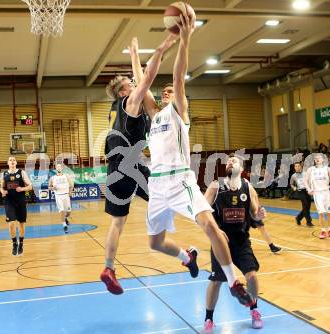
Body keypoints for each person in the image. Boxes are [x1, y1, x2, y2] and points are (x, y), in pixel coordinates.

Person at [146, 13, 254, 307]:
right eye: (164, 90)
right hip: (156, 185)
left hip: (180, 179)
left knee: (210, 225)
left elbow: (179, 75)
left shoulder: (178, 112)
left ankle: (233, 281)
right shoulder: (155, 117)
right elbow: (144, 83)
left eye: (172, 91)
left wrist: (184, 38)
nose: (167, 90)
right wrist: (141, 54)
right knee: (155, 243)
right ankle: (187, 257)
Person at [100, 34, 177, 295]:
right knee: (169, 197)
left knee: (117, 222)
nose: (135, 84)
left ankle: (108, 267)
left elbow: (142, 81)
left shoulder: (121, 107)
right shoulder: (130, 104)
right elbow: (147, 78)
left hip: (116, 169)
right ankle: (176, 246)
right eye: (130, 84)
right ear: (124, 92)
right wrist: (146, 52)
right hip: (131, 166)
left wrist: (134, 56)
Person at [203, 154, 269, 331]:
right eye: (229, 161)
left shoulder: (248, 188)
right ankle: (208, 319)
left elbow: (254, 213)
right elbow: (203, 212)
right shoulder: (216, 186)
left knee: (252, 276)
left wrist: (259, 215)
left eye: (235, 160)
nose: (230, 161)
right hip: (220, 242)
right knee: (216, 281)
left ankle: (254, 309)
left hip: (241, 241)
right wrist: (216, 231)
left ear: (242, 168)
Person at [0, 156, 33, 256]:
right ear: (8, 163)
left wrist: (22, 189)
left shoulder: (22, 173)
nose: (12, 161)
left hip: (20, 201)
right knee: (11, 224)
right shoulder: (4, 174)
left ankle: (21, 244)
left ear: (16, 162)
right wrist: (3, 191)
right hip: (9, 201)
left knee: (21, 224)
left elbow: (30, 186)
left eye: (14, 160)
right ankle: (14, 243)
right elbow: (1, 188)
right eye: (10, 160)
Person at [305, 153, 330, 239]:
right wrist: (309, 189)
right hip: (317, 193)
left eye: (319, 158)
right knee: (321, 213)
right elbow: (305, 181)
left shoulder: (327, 169)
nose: (317, 159)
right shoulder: (310, 170)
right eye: (316, 158)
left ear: (323, 159)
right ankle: (323, 230)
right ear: (314, 160)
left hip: (326, 192)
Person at [49, 163, 74, 233]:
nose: (59, 168)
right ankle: (64, 225)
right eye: (57, 166)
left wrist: (70, 192)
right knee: (62, 210)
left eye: (60, 166)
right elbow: (49, 187)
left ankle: (66, 218)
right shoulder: (52, 178)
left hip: (66, 195)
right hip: (58, 196)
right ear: (56, 168)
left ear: (62, 168)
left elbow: (71, 185)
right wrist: (52, 188)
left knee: (69, 212)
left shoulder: (66, 176)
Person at [290, 162, 314, 227]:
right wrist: (294, 187)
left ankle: (298, 218)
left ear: (300, 167)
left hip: (307, 191)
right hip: (300, 192)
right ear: (294, 168)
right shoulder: (293, 176)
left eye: (298, 166)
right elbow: (291, 184)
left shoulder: (305, 173)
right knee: (305, 205)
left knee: (307, 207)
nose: (297, 167)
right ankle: (308, 221)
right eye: (296, 166)